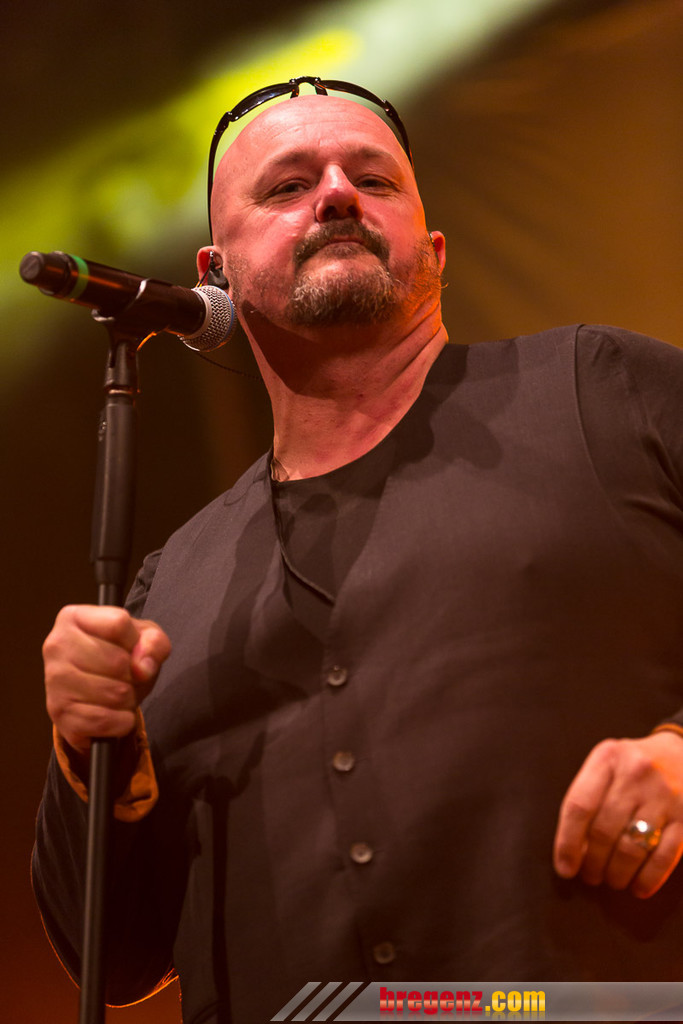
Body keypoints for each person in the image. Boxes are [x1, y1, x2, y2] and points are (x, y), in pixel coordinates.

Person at [33, 80, 683, 1024]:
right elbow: (114, 959)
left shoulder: (605, 388)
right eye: (287, 185)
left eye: (372, 180)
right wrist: (83, 750)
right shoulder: (171, 585)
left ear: (434, 249)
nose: (337, 194)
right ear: (216, 274)